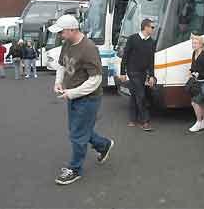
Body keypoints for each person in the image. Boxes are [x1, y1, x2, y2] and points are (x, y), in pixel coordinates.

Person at [48, 14, 113, 185]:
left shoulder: (89, 48)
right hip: (73, 94)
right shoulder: (67, 43)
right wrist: (58, 83)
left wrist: (72, 93)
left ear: (72, 29)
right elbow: (62, 65)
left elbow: (96, 80)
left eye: (62, 32)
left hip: (88, 98)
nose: (60, 35)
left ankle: (75, 169)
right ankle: (103, 144)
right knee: (78, 130)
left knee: (77, 133)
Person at [119, 18, 156, 131]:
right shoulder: (133, 39)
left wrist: (151, 76)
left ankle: (132, 119)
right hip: (132, 71)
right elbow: (125, 56)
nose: (153, 29)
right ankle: (145, 121)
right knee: (141, 94)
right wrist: (122, 72)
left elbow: (151, 60)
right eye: (152, 27)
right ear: (145, 27)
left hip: (143, 72)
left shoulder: (151, 42)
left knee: (135, 94)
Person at [187, 35, 204, 132]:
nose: (193, 45)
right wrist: (190, 71)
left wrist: (196, 74)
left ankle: (199, 123)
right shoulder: (194, 53)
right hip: (201, 81)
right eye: (193, 43)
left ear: (201, 45)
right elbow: (193, 66)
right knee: (202, 102)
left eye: (196, 43)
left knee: (195, 102)